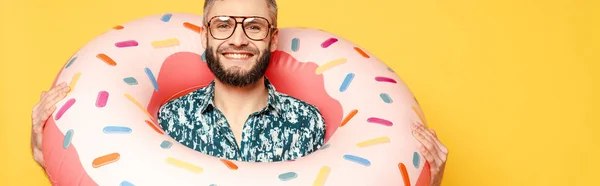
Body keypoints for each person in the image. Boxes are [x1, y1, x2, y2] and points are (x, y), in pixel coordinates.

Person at [30, 0, 448, 184]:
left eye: (254, 25)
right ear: (205, 34)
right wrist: (45, 142)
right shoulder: (167, 121)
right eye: (223, 24)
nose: (238, 38)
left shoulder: (308, 125)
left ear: (272, 36)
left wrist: (427, 175)